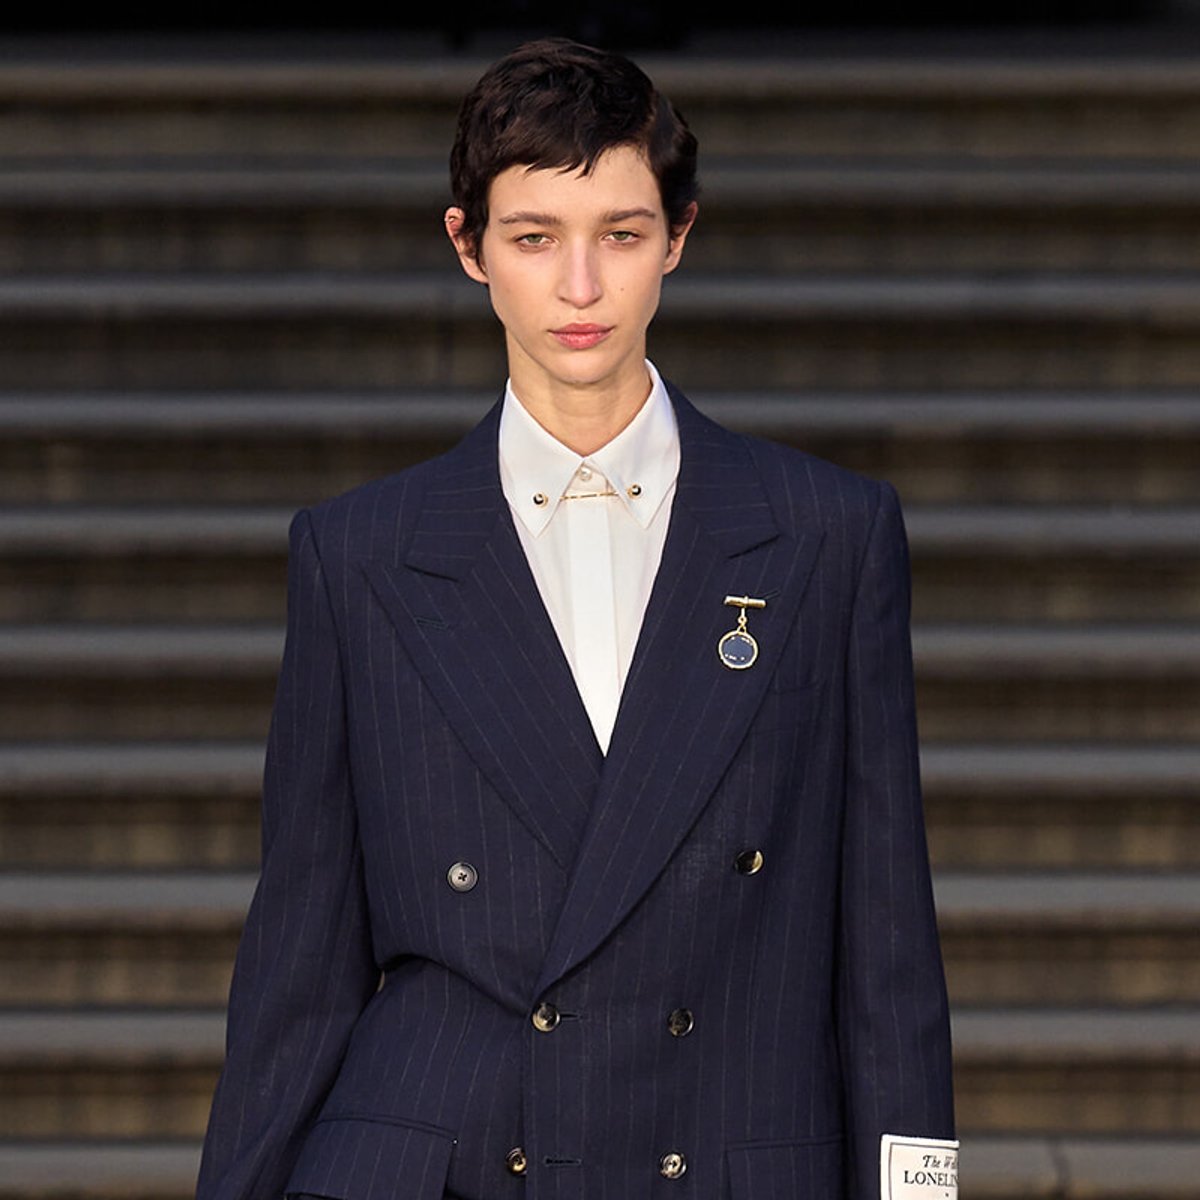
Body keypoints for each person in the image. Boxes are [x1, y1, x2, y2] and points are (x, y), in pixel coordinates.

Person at [196, 37, 956, 1200]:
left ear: (679, 238)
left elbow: (888, 941)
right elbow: (300, 958)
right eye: (535, 238)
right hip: (442, 1161)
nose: (582, 288)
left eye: (622, 234)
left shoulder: (828, 536)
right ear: (468, 247)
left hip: (724, 1154)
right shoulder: (359, 556)